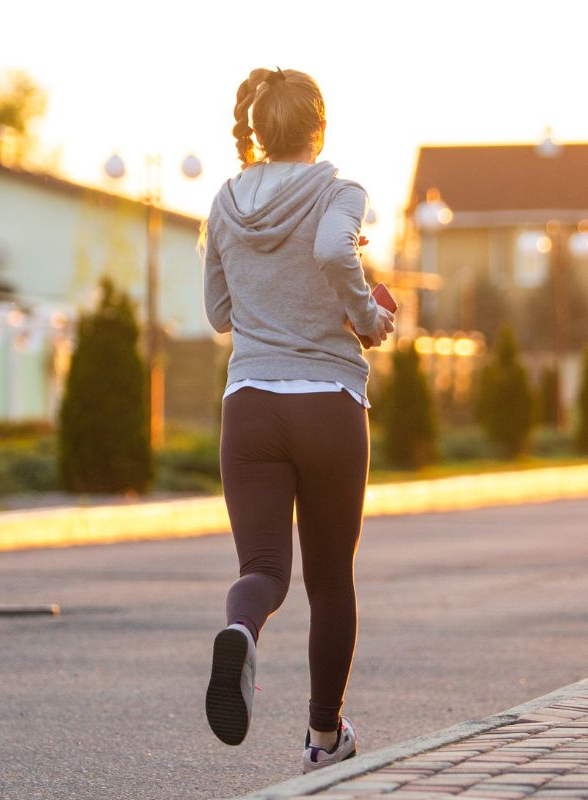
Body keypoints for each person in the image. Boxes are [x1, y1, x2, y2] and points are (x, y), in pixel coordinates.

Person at [199, 66, 395, 773]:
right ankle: (323, 738)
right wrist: (368, 316)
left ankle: (241, 629)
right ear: (321, 127)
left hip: (249, 404)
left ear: (256, 131)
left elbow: (219, 314)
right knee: (331, 578)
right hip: (328, 404)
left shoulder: (225, 200)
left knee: (262, 569)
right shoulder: (341, 192)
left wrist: (262, 293)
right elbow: (330, 249)